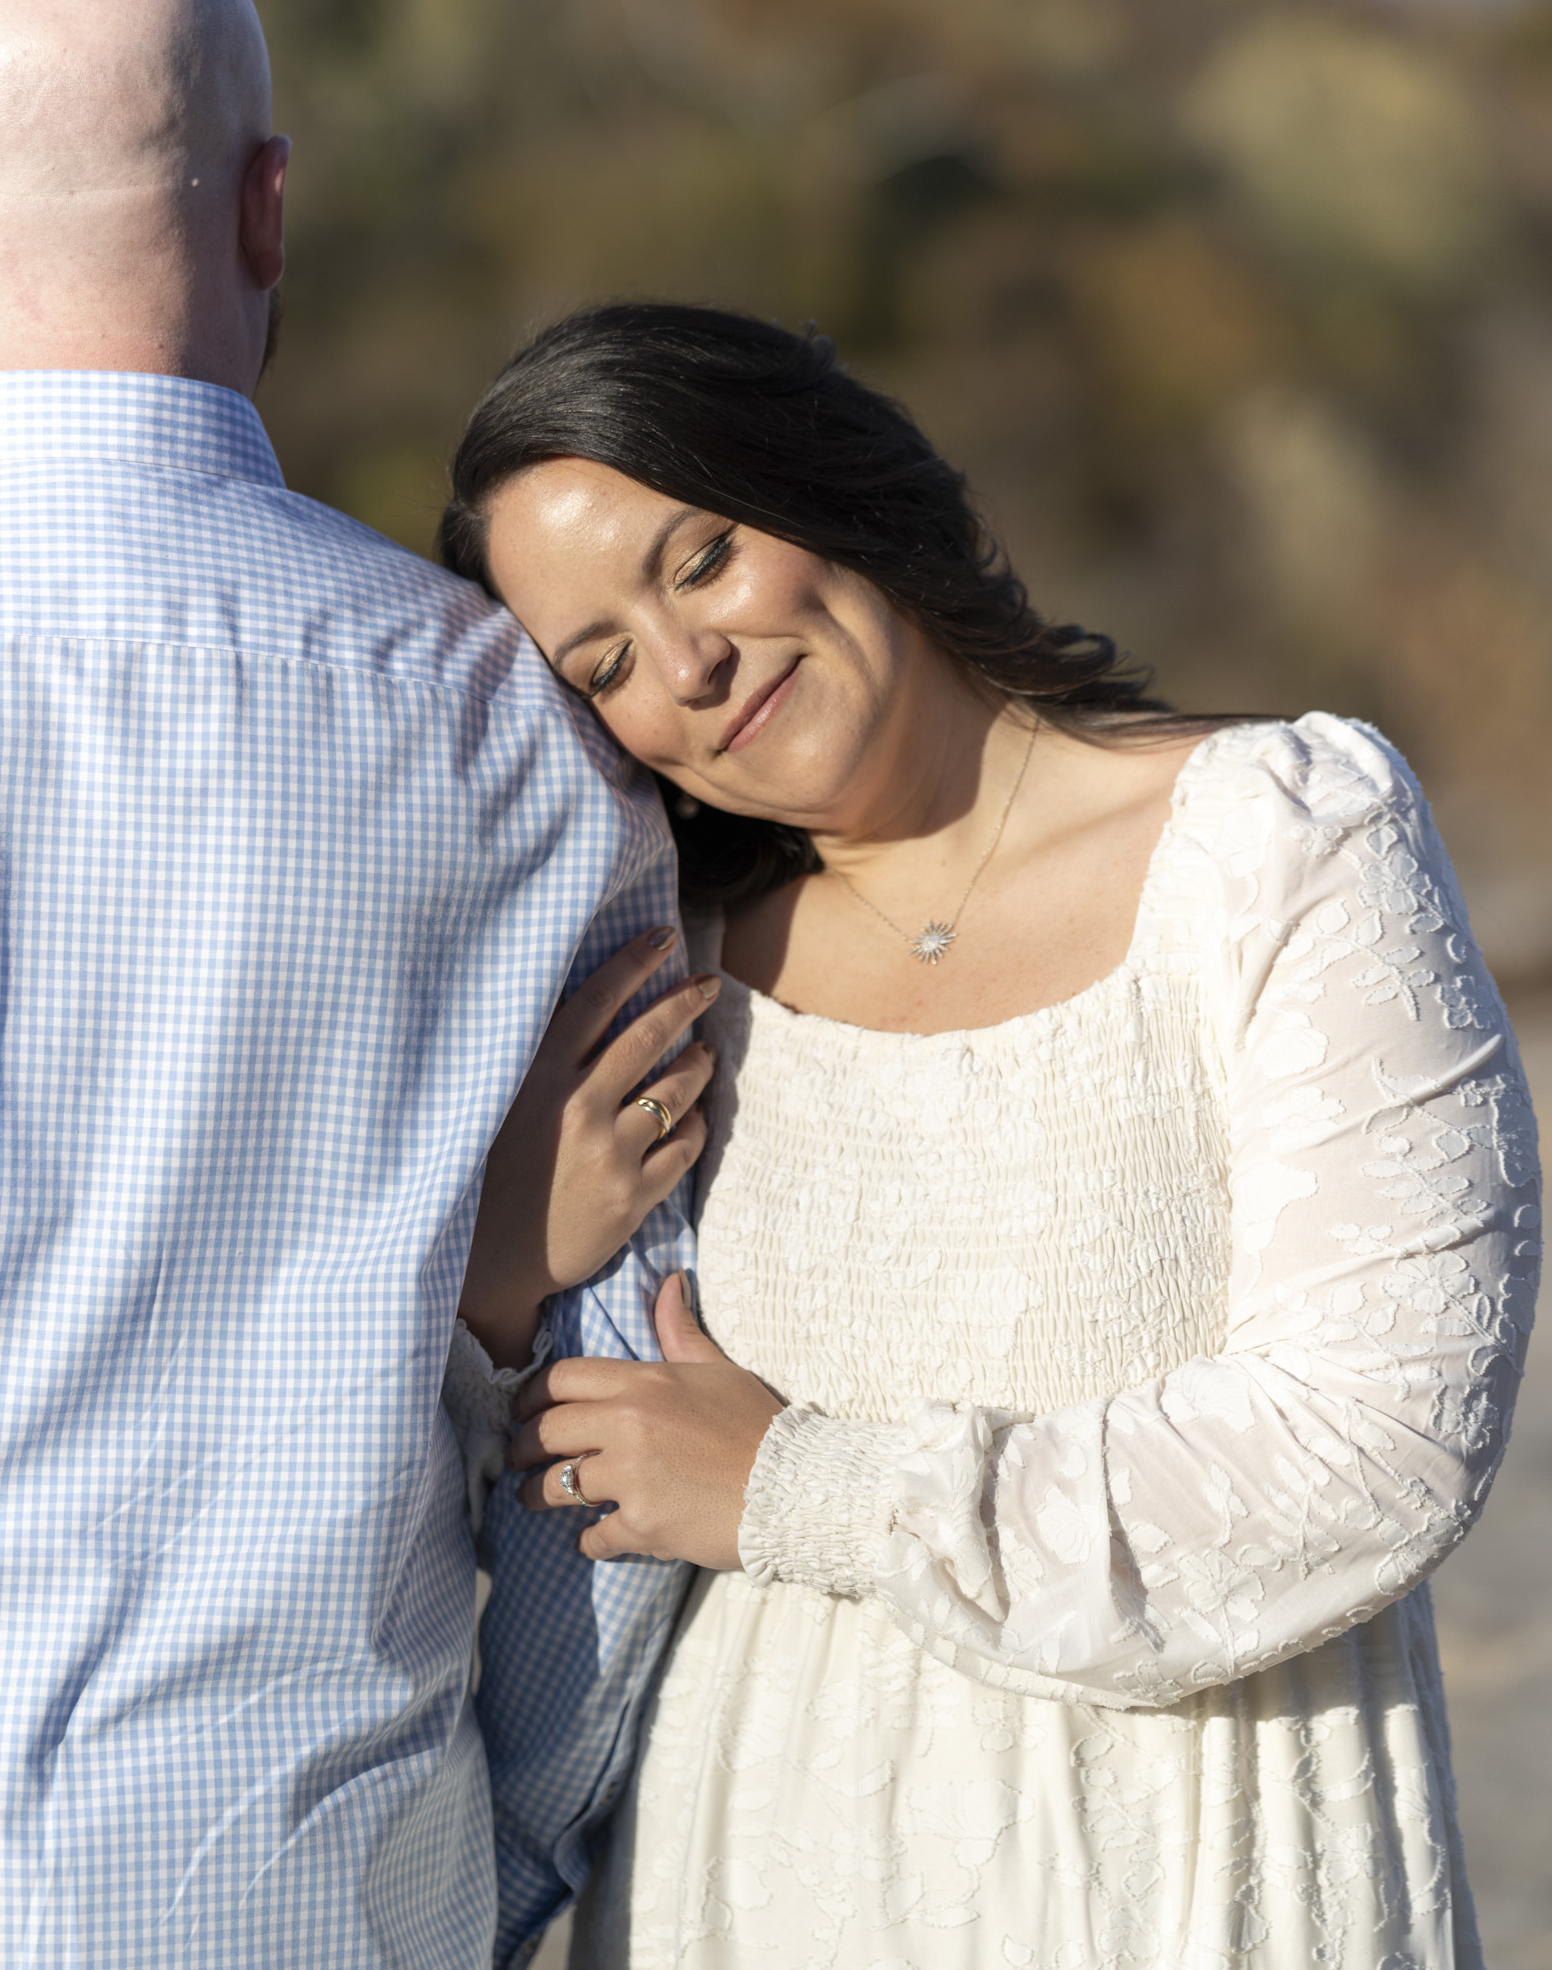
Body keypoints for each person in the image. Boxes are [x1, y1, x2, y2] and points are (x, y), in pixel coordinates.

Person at [438, 302, 1542, 1968]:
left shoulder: (1281, 839)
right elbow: (529, 1513)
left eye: (703, 559)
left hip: (1192, 1879)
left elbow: (1375, 1446)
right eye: (602, 665)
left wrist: (799, 1488)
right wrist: (503, 1277)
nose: (687, 668)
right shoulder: (662, 982)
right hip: (741, 1887)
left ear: (824, 484)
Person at [0, 0, 711, 1966]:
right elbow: (621, 1403)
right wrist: (492, 1861)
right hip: (313, 1878)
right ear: (268, 207)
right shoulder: (519, 732)